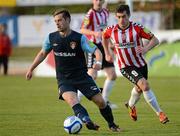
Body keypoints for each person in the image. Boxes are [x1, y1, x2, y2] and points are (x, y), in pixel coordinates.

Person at [26, 9, 121, 132]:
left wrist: (98, 62)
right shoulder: (51, 38)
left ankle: (112, 124)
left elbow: (96, 51)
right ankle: (87, 121)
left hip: (82, 77)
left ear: (68, 20)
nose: (57, 23)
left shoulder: (79, 38)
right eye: (55, 21)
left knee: (100, 102)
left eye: (60, 20)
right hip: (64, 79)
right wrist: (31, 68)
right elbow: (43, 53)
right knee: (73, 101)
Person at [102, 4, 169, 124]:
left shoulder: (137, 28)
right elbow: (104, 36)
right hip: (125, 66)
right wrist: (107, 53)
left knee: (139, 89)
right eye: (119, 17)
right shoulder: (111, 30)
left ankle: (131, 105)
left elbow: (155, 40)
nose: (121, 20)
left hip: (141, 64)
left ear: (129, 16)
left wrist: (146, 49)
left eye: (124, 16)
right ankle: (160, 114)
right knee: (145, 85)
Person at [78, 0, 118, 109]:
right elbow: (82, 30)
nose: (98, 1)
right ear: (93, 1)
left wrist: (110, 44)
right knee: (92, 75)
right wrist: (94, 33)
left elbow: (105, 30)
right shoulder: (90, 14)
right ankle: (77, 98)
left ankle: (105, 101)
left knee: (112, 75)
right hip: (93, 46)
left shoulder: (105, 12)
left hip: (104, 45)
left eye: (101, 0)